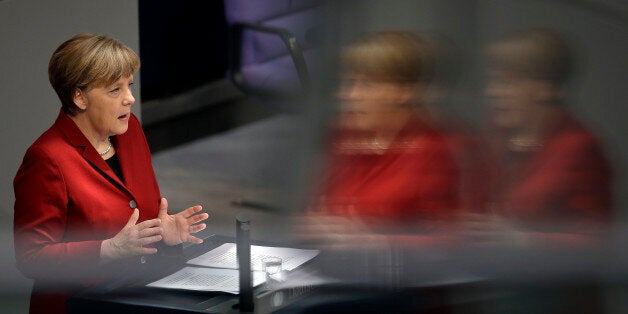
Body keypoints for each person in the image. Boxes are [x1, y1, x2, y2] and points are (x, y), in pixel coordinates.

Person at [13, 33, 209, 314]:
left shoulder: (131, 132)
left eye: (129, 85)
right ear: (79, 97)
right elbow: (31, 257)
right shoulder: (47, 159)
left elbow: (135, 216)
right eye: (115, 90)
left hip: (139, 296)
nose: (130, 98)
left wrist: (162, 232)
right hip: (80, 305)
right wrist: (109, 249)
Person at [298, 31, 460, 250]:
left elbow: (452, 242)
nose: (349, 95)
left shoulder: (434, 152)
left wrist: (376, 242)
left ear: (404, 91)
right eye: (348, 84)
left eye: (364, 85)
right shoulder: (345, 134)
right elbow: (314, 209)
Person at [479, 28, 613, 244]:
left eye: (507, 83)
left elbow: (594, 242)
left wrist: (522, 241)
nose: (493, 92)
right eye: (493, 82)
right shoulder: (494, 134)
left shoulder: (579, 148)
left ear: (547, 89)